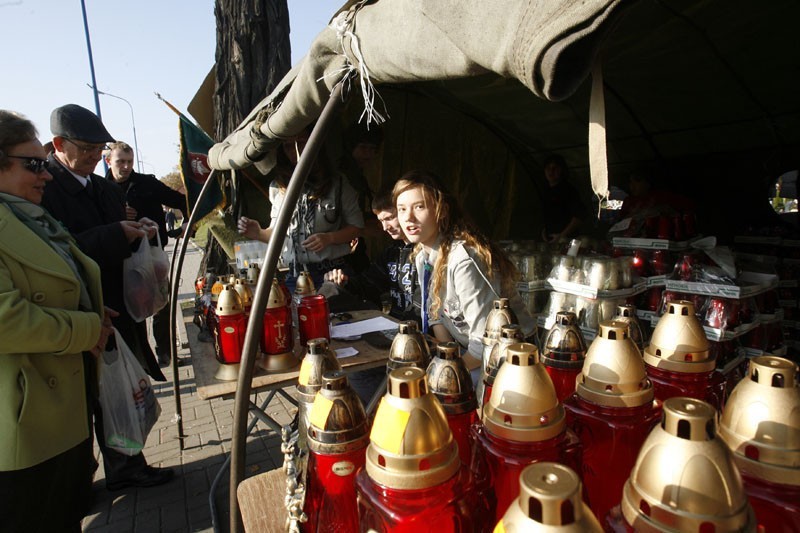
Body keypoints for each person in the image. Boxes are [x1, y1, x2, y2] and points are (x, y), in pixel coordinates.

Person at [40, 104, 174, 490]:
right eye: (87, 148)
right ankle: (81, 478)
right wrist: (117, 233)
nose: (95, 156)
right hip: (81, 312)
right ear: (59, 144)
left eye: (100, 148)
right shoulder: (46, 190)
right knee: (86, 400)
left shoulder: (100, 187)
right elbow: (58, 251)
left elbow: (121, 233)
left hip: (120, 306)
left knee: (120, 396)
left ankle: (127, 464)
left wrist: (142, 231)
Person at [0, 110, 115, 531]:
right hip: (25, 431)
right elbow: (6, 320)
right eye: (32, 164)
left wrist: (92, 307)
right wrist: (87, 330)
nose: (45, 173)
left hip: (61, 415)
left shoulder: (26, 216)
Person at [394, 170, 536, 382]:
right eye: (401, 209)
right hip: (471, 354)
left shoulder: (464, 260)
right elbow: (436, 315)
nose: (408, 218)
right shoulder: (422, 257)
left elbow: (487, 341)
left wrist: (445, 373)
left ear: (441, 210)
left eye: (419, 206)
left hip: (508, 361)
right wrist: (448, 354)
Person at [238, 126, 364, 292]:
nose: (296, 151)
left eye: (302, 142)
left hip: (332, 272)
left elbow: (357, 228)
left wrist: (330, 238)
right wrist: (258, 233)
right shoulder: (279, 187)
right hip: (296, 275)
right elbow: (277, 234)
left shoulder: (337, 184)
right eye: (288, 146)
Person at [105, 141, 187, 366]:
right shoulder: (100, 189)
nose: (125, 166)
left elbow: (181, 201)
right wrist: (118, 217)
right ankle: (139, 357)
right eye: (120, 161)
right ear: (108, 161)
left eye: (129, 162)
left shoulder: (146, 183)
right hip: (121, 260)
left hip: (153, 255)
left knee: (162, 302)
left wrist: (186, 226)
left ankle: (165, 352)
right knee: (131, 309)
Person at [323, 189, 420, 323]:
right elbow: (369, 284)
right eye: (381, 221)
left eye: (390, 218)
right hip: (394, 325)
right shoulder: (391, 253)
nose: (385, 227)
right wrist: (344, 282)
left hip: (417, 330)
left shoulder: (427, 254)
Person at [539, 154, 585, 243]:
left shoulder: (568, 190)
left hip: (566, 241)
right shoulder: (546, 190)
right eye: (548, 168)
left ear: (562, 170)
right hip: (550, 240)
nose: (551, 171)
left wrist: (562, 236)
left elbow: (580, 216)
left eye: (555, 168)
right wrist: (545, 230)